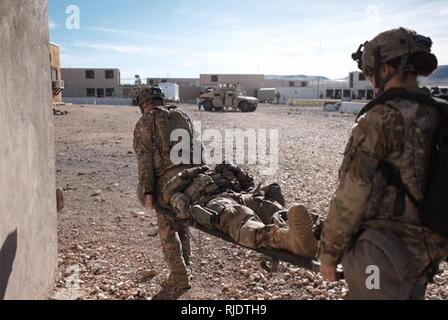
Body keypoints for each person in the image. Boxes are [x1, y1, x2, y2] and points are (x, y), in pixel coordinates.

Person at [319, 27, 448, 299]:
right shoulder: (439, 111)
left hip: (384, 252)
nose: (370, 79)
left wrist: (329, 255)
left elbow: (350, 195)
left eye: (371, 71)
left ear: (387, 69)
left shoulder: (379, 119)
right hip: (431, 248)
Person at [160, 164, 319, 259]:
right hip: (213, 201)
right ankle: (283, 238)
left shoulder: (216, 172)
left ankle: (318, 232)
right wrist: (186, 176)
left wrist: (236, 170)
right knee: (237, 215)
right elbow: (177, 203)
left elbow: (249, 184)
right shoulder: (181, 188)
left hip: (241, 194)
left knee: (271, 208)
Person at [133, 85, 196, 291]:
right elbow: (196, 147)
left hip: (166, 185)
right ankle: (186, 267)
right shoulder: (181, 116)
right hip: (191, 178)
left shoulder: (146, 121)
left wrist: (148, 191)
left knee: (168, 231)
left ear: (144, 104)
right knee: (182, 224)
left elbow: (145, 159)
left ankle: (179, 277)